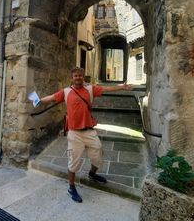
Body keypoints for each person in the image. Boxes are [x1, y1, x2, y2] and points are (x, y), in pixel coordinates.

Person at [34, 67, 133, 203]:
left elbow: (105, 89)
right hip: (74, 132)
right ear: (72, 78)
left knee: (98, 153)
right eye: (76, 76)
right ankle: (71, 187)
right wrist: (39, 100)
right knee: (74, 161)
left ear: (83, 77)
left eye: (80, 75)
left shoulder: (90, 89)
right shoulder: (66, 92)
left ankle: (92, 174)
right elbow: (52, 97)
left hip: (89, 130)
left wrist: (122, 87)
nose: (78, 78)